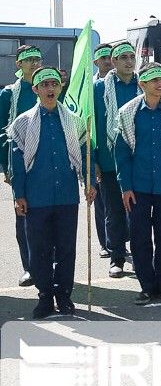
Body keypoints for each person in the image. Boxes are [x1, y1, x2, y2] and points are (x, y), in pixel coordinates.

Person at [8, 66, 97, 318]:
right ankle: (45, 296)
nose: (50, 88)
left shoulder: (74, 121)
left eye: (54, 84)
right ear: (35, 89)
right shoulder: (23, 123)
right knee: (39, 250)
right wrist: (19, 195)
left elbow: (87, 154)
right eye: (45, 85)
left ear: (60, 87)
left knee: (66, 249)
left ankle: (64, 296)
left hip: (67, 196)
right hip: (36, 198)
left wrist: (90, 182)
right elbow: (17, 163)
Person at [113, 63, 161, 305]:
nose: (160, 84)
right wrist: (125, 186)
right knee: (140, 238)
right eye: (154, 80)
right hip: (139, 188)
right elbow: (122, 154)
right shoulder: (128, 112)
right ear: (142, 84)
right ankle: (146, 286)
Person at [95, 40, 141, 278]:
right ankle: (117, 258)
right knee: (114, 212)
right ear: (113, 61)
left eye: (132, 57)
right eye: (123, 57)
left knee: (139, 213)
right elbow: (92, 126)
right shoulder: (99, 88)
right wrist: (93, 160)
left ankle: (141, 256)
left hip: (139, 161)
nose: (129, 61)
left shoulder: (143, 85)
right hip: (109, 160)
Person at [1, 44, 42, 287]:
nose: (34, 63)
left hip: (47, 163)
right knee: (24, 215)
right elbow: (2, 133)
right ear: (19, 64)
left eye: (37, 59)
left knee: (51, 217)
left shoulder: (49, 88)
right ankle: (30, 267)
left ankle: (50, 265)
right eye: (29, 60)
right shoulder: (9, 94)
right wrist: (6, 165)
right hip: (20, 164)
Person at [91, 43, 112, 258]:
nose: (107, 61)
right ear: (95, 61)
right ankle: (105, 243)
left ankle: (118, 241)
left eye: (109, 57)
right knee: (101, 203)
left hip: (121, 157)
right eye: (103, 58)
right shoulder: (92, 88)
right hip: (101, 155)